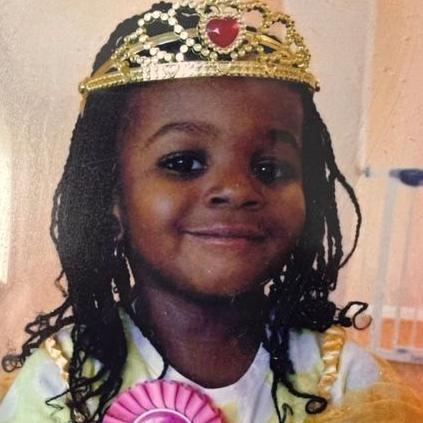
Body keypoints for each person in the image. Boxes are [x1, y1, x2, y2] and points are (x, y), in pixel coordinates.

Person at [0, 1, 422, 422]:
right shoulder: (59, 386)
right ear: (112, 196)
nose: (238, 190)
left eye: (270, 168)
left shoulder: (345, 381)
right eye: (183, 163)